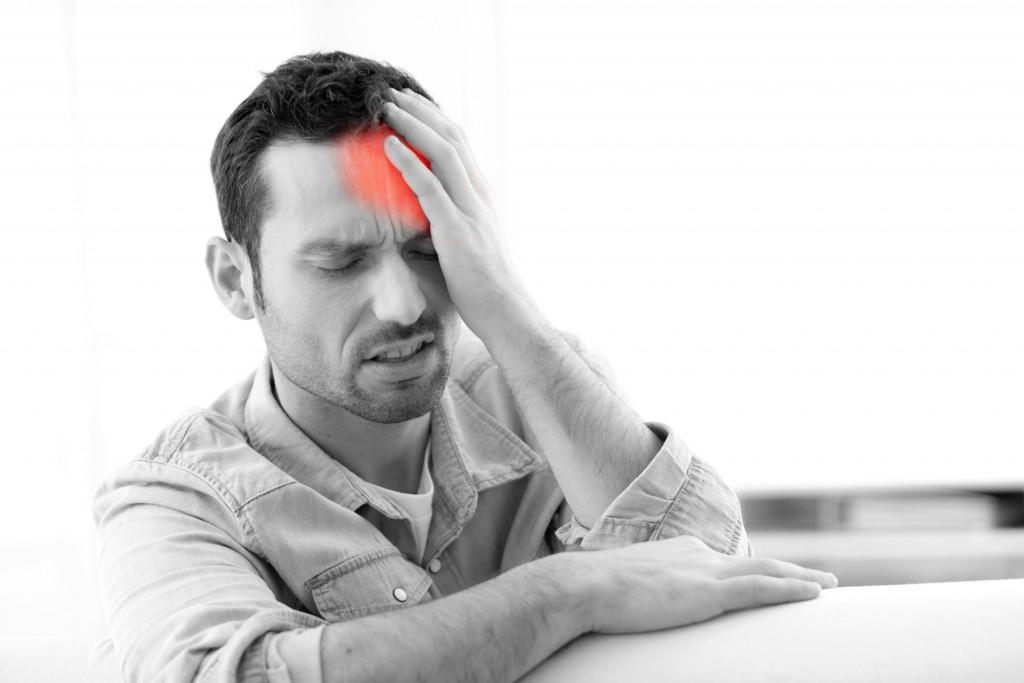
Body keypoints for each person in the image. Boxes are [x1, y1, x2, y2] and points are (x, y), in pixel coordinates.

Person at [92, 51, 837, 683]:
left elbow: (709, 576)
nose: (401, 303)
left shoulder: (537, 384)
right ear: (234, 280)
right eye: (341, 261)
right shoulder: (173, 496)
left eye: (427, 248)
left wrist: (506, 306)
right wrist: (564, 591)